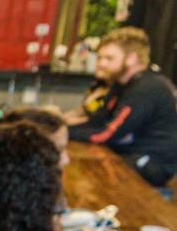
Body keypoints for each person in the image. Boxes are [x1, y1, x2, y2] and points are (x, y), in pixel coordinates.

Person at [65, 27, 177, 187]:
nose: (101, 63)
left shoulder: (147, 88)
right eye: (100, 57)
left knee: (91, 177)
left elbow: (107, 134)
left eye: (109, 58)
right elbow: (97, 122)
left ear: (131, 58)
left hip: (152, 164)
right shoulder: (120, 85)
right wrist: (59, 127)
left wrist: (63, 132)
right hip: (128, 152)